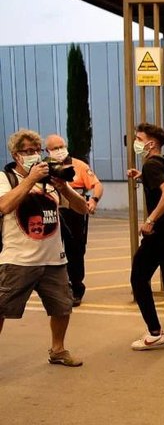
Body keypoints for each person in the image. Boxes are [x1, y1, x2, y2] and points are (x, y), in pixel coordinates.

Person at [0, 129, 89, 367]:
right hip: (19, 259)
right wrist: (29, 180)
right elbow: (4, 206)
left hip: (53, 258)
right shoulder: (5, 178)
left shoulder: (49, 182)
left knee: (62, 306)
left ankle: (58, 350)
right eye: (26, 151)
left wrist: (63, 188)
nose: (32, 155)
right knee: (1, 307)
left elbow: (83, 208)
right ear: (15, 155)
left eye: (35, 150)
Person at [126, 123, 164, 350]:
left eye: (139, 138)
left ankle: (154, 332)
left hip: (159, 232)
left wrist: (150, 220)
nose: (136, 142)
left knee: (139, 279)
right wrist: (142, 176)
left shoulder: (152, 163)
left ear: (151, 143)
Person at [44, 134, 103, 307]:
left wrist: (93, 200)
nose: (59, 151)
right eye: (54, 148)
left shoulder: (78, 165)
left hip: (74, 211)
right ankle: (58, 288)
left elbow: (97, 185)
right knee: (52, 251)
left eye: (61, 146)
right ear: (47, 151)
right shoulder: (43, 167)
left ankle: (76, 288)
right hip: (52, 211)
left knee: (76, 250)